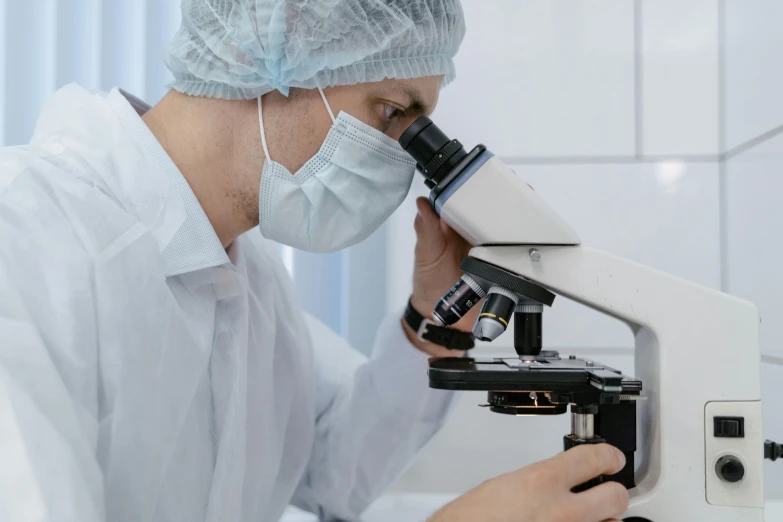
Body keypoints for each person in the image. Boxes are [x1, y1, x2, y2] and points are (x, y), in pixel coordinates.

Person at [0, 1, 629, 521]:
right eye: (392, 113)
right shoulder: (28, 243)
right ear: (285, 43)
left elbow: (330, 468)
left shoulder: (244, 272)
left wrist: (433, 322)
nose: (400, 158)